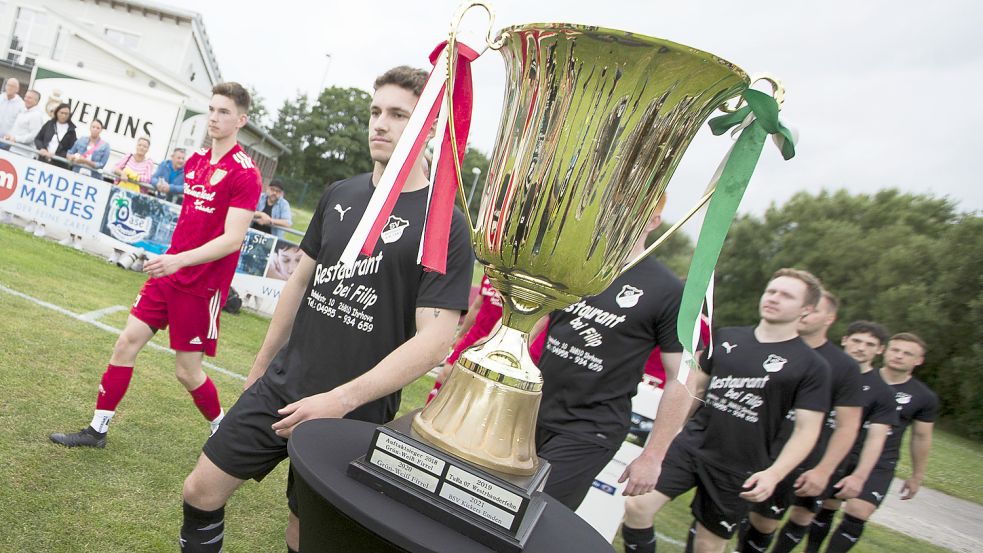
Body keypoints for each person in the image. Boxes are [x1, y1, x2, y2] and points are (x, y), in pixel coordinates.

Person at [178, 66, 473, 553]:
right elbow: (298, 283)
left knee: (305, 531)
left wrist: (339, 401)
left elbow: (435, 340)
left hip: (353, 412)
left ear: (430, 127)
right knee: (200, 491)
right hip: (284, 383)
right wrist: (259, 367)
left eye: (399, 115)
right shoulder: (342, 193)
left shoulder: (445, 225)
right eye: (376, 111)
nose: (380, 123)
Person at [49, 82, 263, 450]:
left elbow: (232, 239)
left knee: (187, 371)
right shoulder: (195, 161)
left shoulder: (245, 173)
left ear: (241, 120)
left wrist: (179, 259)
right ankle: (97, 430)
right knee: (125, 343)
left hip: (201, 286)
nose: (214, 117)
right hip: (167, 274)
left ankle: (223, 429)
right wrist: (172, 257)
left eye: (224, 112)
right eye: (211, 109)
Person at [637, 268, 830, 553]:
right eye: (771, 291)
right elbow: (696, 389)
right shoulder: (726, 337)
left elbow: (806, 430)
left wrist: (775, 474)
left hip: (739, 466)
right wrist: (672, 433)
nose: (774, 298)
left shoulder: (812, 366)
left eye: (786, 295)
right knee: (637, 507)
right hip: (692, 446)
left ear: (806, 309)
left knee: (707, 546)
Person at [526, 195, 690, 513]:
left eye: (633, 210)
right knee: (496, 503)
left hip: (590, 427)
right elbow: (533, 320)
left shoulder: (668, 290)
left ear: (654, 222)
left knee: (536, 514)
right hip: (531, 408)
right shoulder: (577, 265)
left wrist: (653, 455)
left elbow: (681, 379)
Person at [736, 291, 863, 552]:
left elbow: (847, 426)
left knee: (763, 522)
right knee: (722, 512)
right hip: (748, 444)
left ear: (830, 318)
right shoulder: (769, 345)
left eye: (813, 310)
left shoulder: (843, 366)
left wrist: (823, 470)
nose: (804, 314)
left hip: (793, 458)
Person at [770, 320, 898, 553]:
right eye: (857, 341)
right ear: (844, 340)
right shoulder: (816, 366)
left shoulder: (883, 393)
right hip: (788, 447)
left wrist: (858, 476)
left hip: (830, 459)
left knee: (802, 514)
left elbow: (875, 438)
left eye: (870, 344)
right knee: (762, 508)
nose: (861, 348)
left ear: (880, 350)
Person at [808, 332, 937, 553]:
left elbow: (921, 436)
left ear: (919, 361)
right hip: (843, 452)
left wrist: (917, 476)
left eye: (907, 353)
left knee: (859, 511)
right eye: (895, 350)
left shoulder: (924, 397)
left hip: (880, 462)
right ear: (885, 350)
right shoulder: (857, 378)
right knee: (827, 506)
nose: (899, 356)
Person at [24, 102, 77, 237]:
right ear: (57, 112)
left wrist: (57, 156)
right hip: (43, 160)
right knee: (37, 192)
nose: (64, 116)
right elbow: (38, 139)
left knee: (48, 195)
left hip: (58, 165)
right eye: (61, 112)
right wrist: (42, 149)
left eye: (66, 113)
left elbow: (70, 150)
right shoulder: (49, 124)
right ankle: (32, 220)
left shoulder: (71, 131)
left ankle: (42, 224)